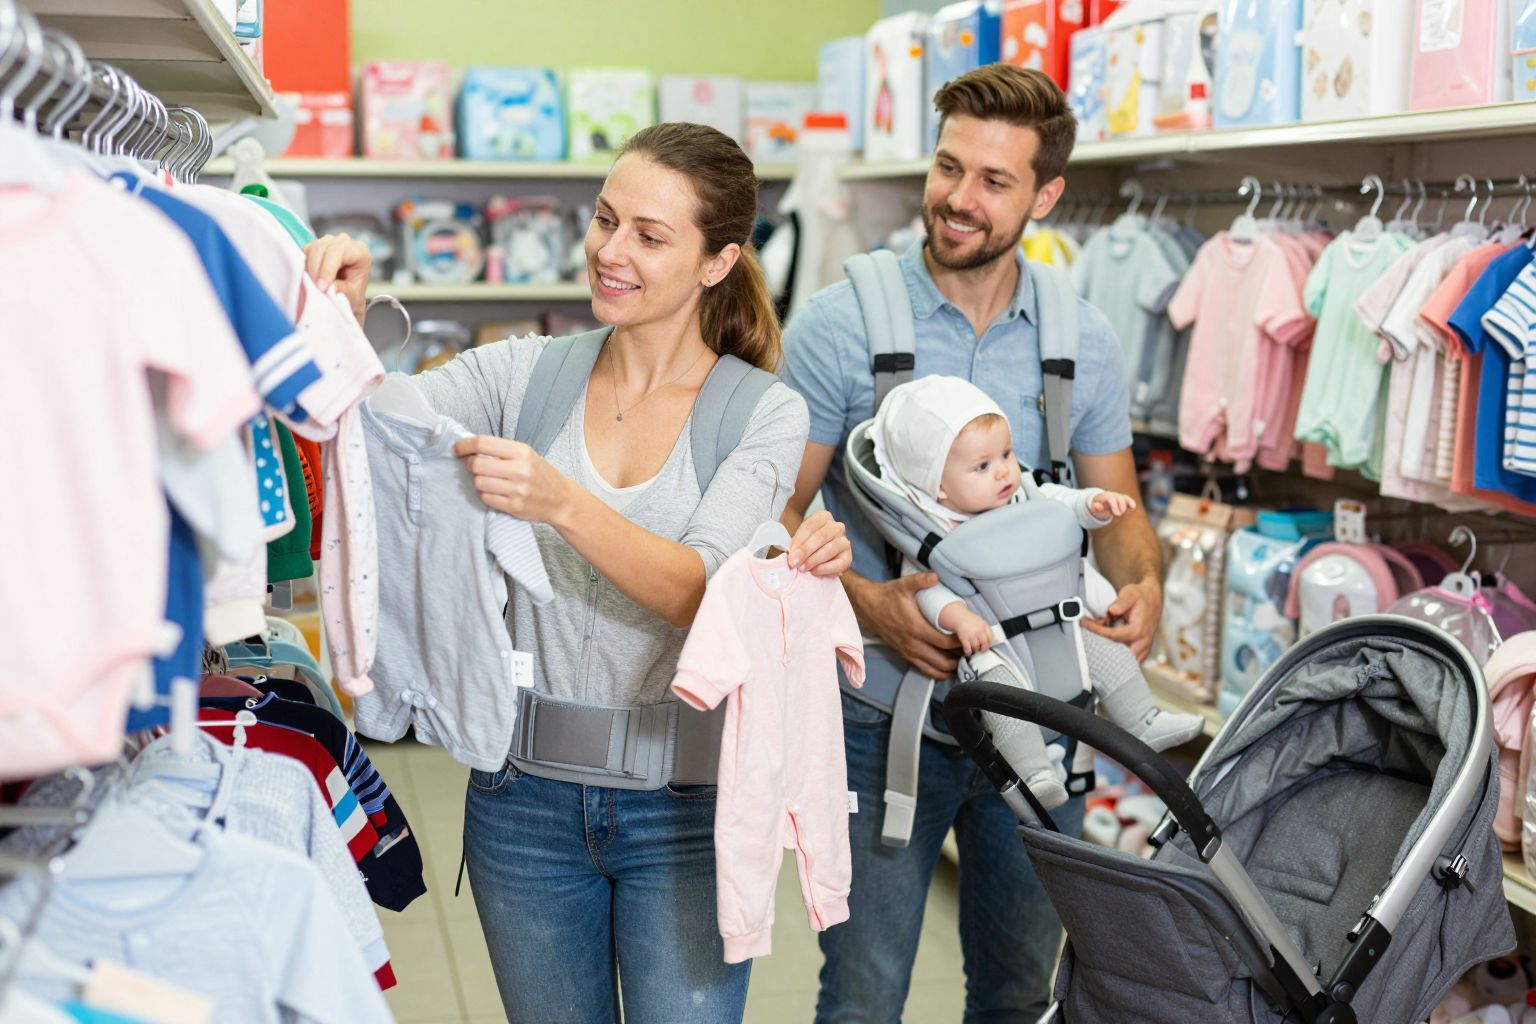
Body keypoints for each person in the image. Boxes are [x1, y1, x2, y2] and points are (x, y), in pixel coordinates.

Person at [305, 122, 854, 1024]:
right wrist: (348, 321)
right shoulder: (528, 373)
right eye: (605, 220)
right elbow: (377, 424)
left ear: (718, 262)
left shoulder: (761, 412)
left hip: (685, 809)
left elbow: (699, 591)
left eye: (649, 235)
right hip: (521, 798)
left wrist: (560, 502)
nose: (610, 251)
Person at [779, 65, 1164, 1022]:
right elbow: (769, 510)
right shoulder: (837, 324)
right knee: (863, 993)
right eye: (949, 166)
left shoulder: (1083, 339)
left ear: (1046, 196)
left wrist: (1143, 585)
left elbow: (1118, 510)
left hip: (1042, 717)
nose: (958, 198)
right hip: (879, 723)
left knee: (1019, 988)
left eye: (995, 181)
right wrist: (868, 606)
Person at [872, 375, 1203, 808]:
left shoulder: (1022, 495)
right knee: (1001, 699)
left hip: (1062, 623)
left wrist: (1094, 505)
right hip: (997, 644)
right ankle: (1033, 771)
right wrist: (959, 619)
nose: (1005, 471)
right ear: (939, 485)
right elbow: (926, 592)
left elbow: (1060, 502)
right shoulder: (935, 533)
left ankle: (1143, 720)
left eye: (1007, 454)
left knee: (1107, 654)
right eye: (983, 466)